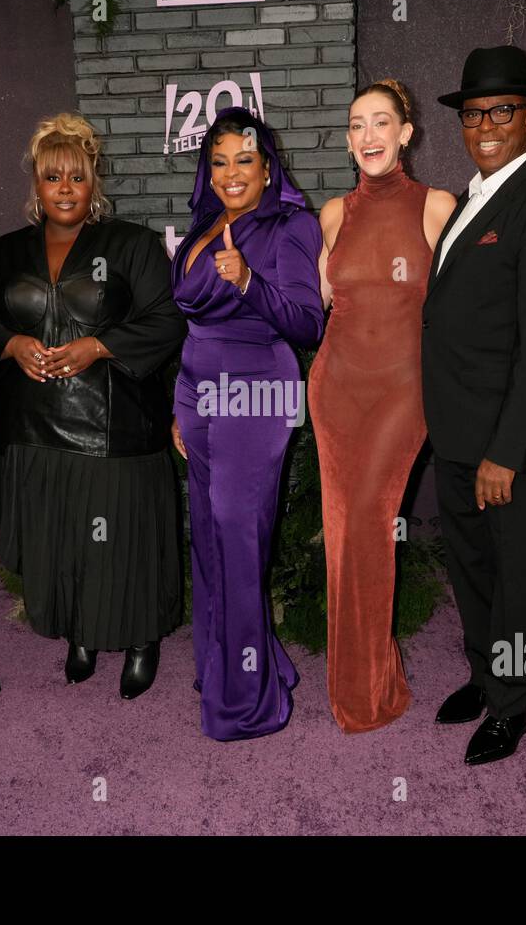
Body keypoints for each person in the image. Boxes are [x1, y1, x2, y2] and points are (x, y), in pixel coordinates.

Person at [0, 113, 187, 699]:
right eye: (52, 177)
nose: (64, 187)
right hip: (34, 430)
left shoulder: (132, 244)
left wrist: (100, 345)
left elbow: (166, 322)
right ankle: (81, 633)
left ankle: (141, 638)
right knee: (63, 540)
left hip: (115, 430)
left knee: (123, 543)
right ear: (35, 185)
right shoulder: (5, 252)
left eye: (76, 177)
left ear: (95, 183)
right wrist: (12, 345)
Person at [423, 45, 526, 765]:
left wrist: (504, 450)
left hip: (509, 443)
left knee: (516, 576)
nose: (485, 124)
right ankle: (488, 677)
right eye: (473, 113)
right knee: (472, 570)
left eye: (502, 111)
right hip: (456, 431)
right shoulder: (469, 199)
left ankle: (512, 708)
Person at [170, 107, 324, 741]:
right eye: (220, 161)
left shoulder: (291, 226)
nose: (232, 173)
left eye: (246, 161)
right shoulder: (205, 225)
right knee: (208, 537)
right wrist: (177, 405)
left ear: (268, 168)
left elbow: (308, 323)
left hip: (256, 391)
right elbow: (188, 320)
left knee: (238, 538)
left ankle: (247, 701)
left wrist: (250, 282)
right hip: (197, 390)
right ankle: (224, 667)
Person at [310, 79, 456, 733]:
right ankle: (368, 682)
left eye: (381, 123)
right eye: (356, 126)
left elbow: (459, 313)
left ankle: (367, 689)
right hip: (335, 388)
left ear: (406, 133)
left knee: (369, 519)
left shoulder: (437, 207)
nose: (368, 136)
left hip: (402, 390)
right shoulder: (333, 214)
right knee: (345, 533)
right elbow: (323, 304)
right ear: (349, 140)